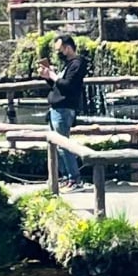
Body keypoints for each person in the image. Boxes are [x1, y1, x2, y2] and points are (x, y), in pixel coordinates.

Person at [40, 34, 88, 191]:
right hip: (56, 109)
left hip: (64, 109)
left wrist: (53, 76)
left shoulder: (78, 63)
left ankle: (75, 179)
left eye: (60, 50)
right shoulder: (67, 65)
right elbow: (58, 87)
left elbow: (69, 86)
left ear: (68, 48)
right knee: (57, 146)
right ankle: (65, 177)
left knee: (64, 145)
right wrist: (48, 77)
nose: (58, 53)